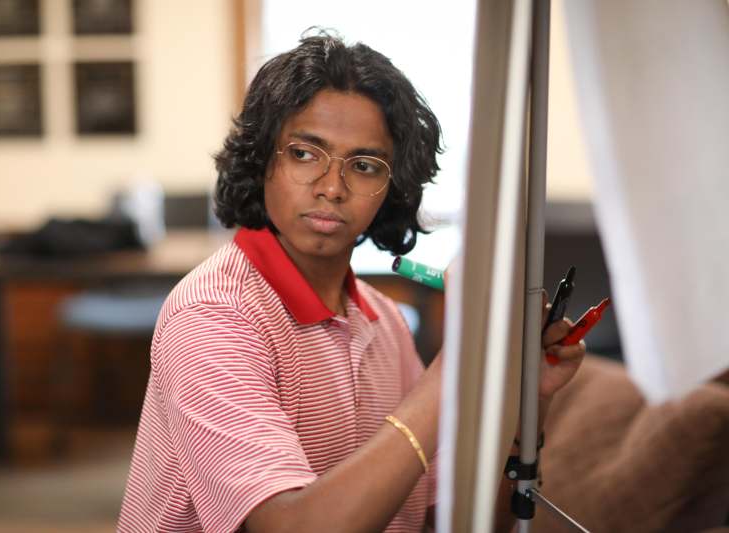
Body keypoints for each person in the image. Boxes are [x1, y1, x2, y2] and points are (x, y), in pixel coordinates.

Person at [118, 31, 585, 533]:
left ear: (392, 188)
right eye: (304, 153)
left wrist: (529, 403)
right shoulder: (214, 316)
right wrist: (458, 364)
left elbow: (453, 521)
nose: (332, 188)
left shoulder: (385, 321)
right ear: (262, 160)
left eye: (364, 166)